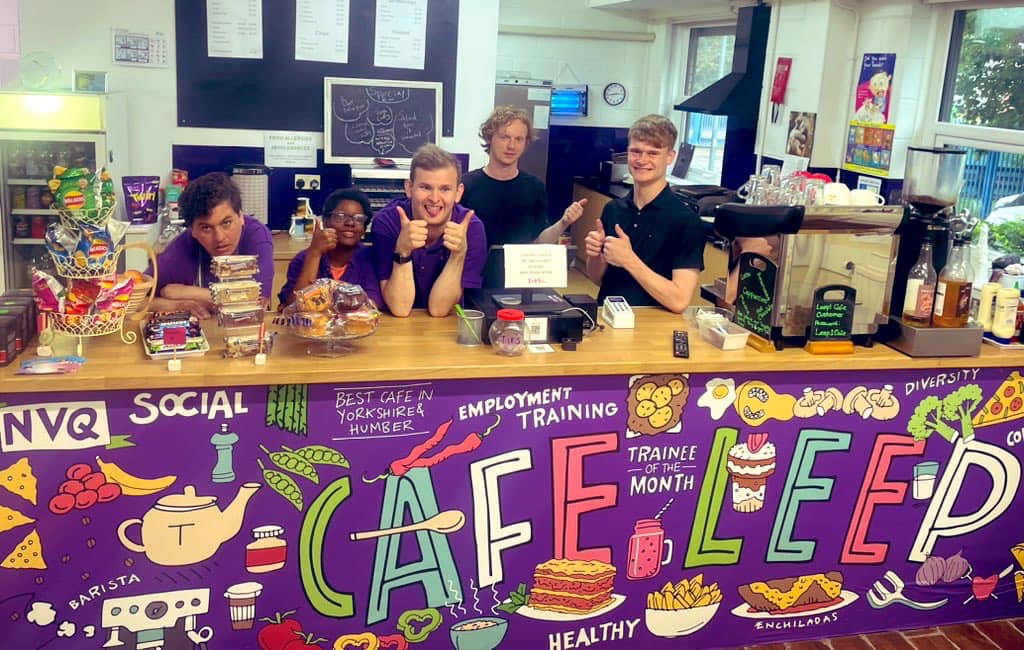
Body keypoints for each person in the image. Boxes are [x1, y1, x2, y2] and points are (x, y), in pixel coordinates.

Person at [584, 114, 704, 313]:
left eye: (653, 153)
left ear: (670, 157)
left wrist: (629, 260)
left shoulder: (686, 221)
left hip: (652, 327)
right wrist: (595, 255)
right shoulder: (613, 209)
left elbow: (679, 300)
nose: (642, 160)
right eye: (636, 151)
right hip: (607, 317)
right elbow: (598, 279)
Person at [371, 144, 487, 317]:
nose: (434, 199)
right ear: (409, 188)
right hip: (396, 327)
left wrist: (458, 255)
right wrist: (402, 251)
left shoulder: (471, 228)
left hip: (445, 328)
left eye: (445, 189)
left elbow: (439, 310)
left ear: (458, 192)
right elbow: (399, 308)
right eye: (425, 187)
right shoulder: (387, 222)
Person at [147, 172, 274, 318]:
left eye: (226, 223)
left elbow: (257, 301)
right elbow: (133, 302)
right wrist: (179, 305)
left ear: (240, 217)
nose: (219, 238)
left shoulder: (256, 235)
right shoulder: (182, 247)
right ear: (192, 230)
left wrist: (183, 292)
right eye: (206, 228)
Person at [461, 106, 586, 245]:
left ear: (526, 143)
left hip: (519, 267)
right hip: (476, 267)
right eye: (505, 137)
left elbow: (539, 241)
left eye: (519, 139)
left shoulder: (534, 188)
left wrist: (564, 222)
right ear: (490, 138)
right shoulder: (466, 185)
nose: (511, 146)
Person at [277, 188, 382, 309]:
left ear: (364, 228)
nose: (350, 223)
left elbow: (371, 304)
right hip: (315, 327)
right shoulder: (303, 259)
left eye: (359, 219)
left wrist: (324, 299)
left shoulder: (370, 258)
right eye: (341, 216)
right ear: (326, 221)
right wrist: (314, 253)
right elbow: (294, 306)